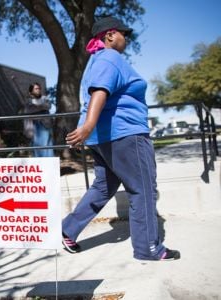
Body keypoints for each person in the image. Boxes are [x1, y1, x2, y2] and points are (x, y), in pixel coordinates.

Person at [61, 17, 180, 261]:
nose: (126, 39)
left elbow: (95, 92)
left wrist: (87, 130)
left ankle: (66, 230)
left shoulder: (95, 61)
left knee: (103, 187)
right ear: (110, 35)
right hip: (126, 134)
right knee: (143, 189)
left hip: (104, 138)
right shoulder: (110, 58)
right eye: (124, 34)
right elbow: (100, 91)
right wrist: (87, 126)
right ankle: (148, 248)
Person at [23, 83, 54, 157]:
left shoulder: (44, 98)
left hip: (45, 124)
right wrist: (40, 107)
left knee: (48, 146)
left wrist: (37, 107)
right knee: (37, 147)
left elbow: (48, 106)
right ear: (31, 92)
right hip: (33, 126)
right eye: (36, 89)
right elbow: (28, 110)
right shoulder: (28, 101)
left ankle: (48, 164)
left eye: (39, 88)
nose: (38, 90)